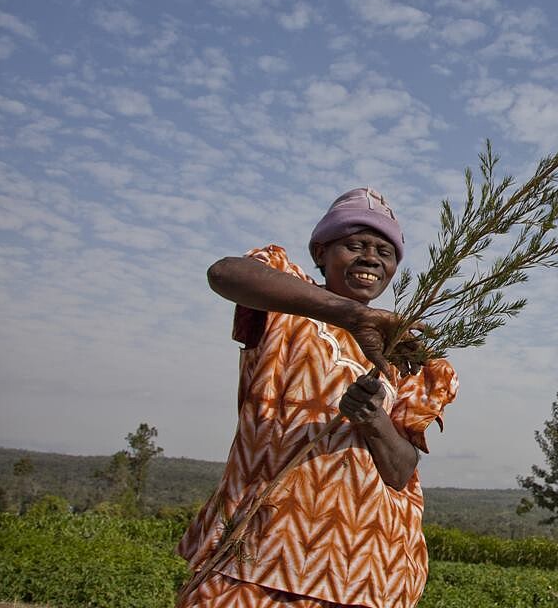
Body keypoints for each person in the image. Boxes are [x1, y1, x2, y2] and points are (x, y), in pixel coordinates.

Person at [176, 187, 458, 608]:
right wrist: (348, 314)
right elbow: (224, 273)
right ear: (321, 252)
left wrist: (372, 418)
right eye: (354, 245)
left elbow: (401, 472)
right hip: (258, 556)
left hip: (369, 574)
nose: (371, 258)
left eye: (385, 251)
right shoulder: (283, 305)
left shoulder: (401, 350)